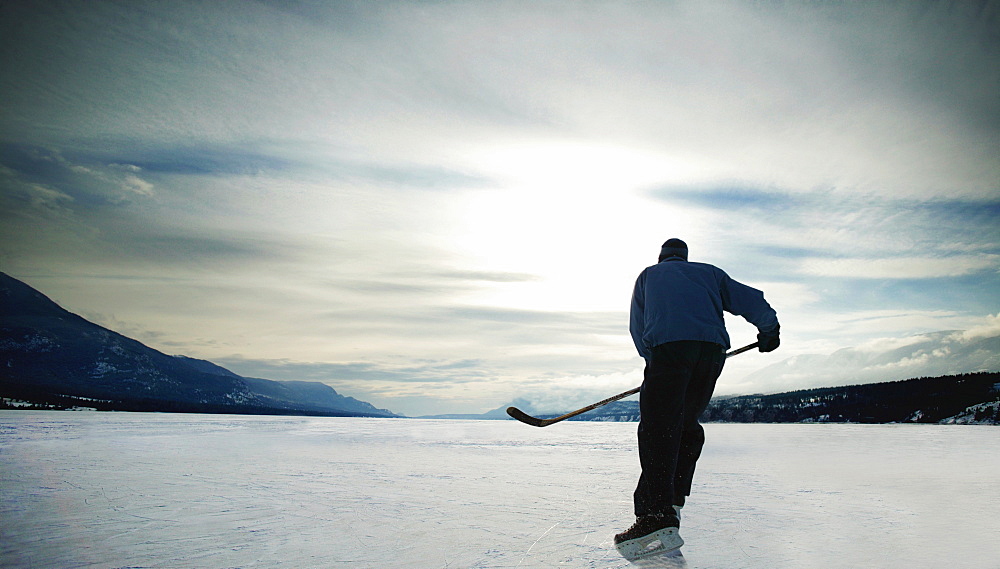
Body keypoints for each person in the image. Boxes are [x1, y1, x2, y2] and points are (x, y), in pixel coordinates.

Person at [614, 238, 780, 558]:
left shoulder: (649, 276)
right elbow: (752, 300)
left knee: (659, 427)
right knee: (687, 424)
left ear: (662, 258)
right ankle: (673, 502)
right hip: (711, 353)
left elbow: (639, 324)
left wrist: (654, 361)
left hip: (670, 349)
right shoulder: (710, 274)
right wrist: (769, 331)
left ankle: (655, 516)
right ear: (685, 258)